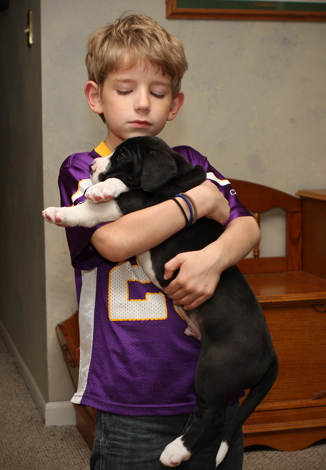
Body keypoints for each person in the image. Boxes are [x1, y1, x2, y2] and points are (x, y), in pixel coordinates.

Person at [55, 12, 260, 470]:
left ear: (176, 103)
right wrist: (198, 202)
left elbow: (246, 227)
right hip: (130, 393)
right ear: (96, 97)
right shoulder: (85, 169)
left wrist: (212, 259)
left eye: (159, 92)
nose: (142, 104)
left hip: (211, 379)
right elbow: (113, 241)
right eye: (125, 90)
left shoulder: (189, 160)